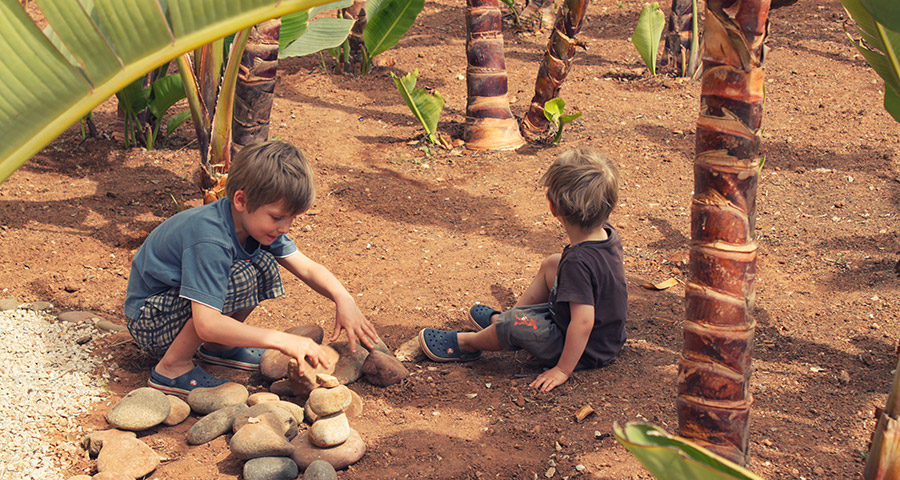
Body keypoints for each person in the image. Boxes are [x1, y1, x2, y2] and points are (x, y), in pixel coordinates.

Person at [124, 140, 379, 397]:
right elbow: (206, 324)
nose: (285, 228)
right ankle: (172, 367)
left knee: (261, 265)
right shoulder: (210, 238)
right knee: (241, 276)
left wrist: (343, 299)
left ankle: (218, 349)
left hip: (174, 309)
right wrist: (282, 340)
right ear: (241, 200)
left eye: (291, 219)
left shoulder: (253, 226)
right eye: (277, 217)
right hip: (152, 322)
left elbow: (308, 268)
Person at [418, 148, 627, 392]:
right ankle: (507, 320)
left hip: (586, 350)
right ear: (610, 205)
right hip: (607, 336)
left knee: (512, 325)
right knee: (552, 263)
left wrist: (562, 369)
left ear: (553, 208)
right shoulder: (607, 235)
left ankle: (469, 344)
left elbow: (582, 323)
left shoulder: (578, 262)